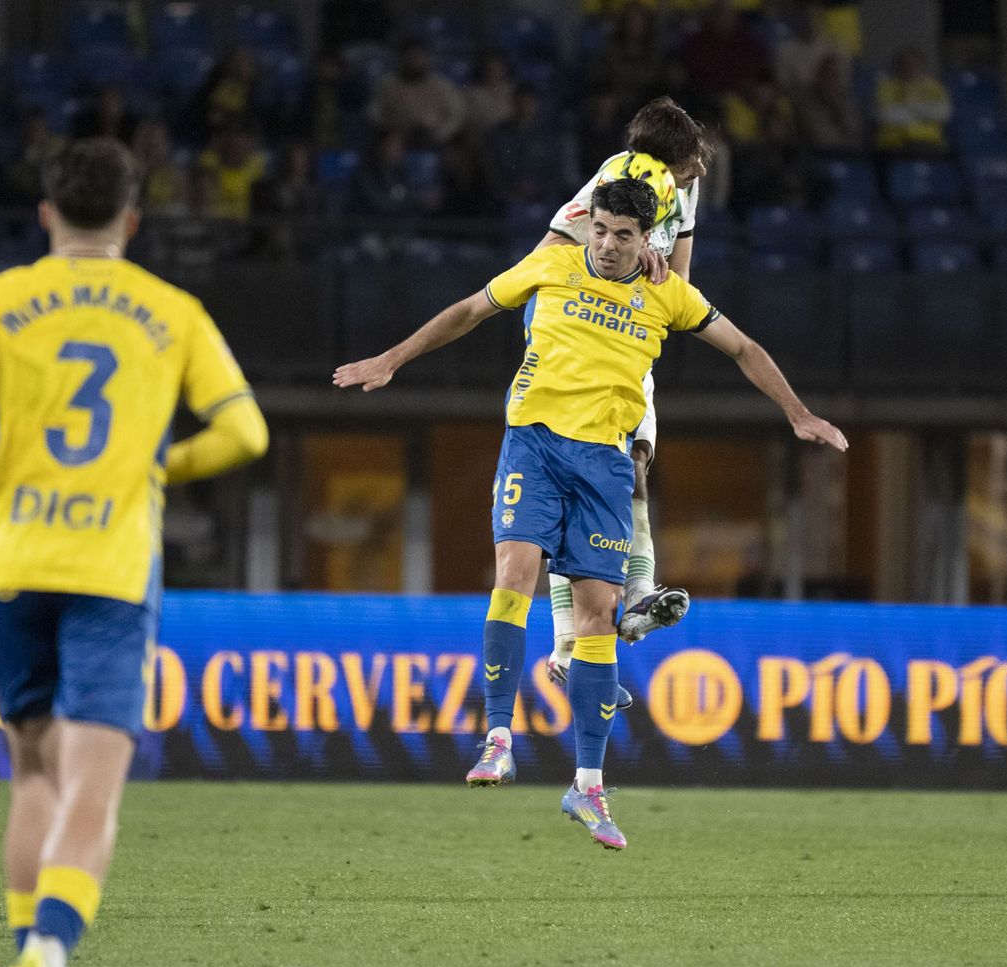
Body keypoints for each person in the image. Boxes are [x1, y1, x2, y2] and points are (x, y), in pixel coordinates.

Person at [334, 179, 847, 849]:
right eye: (600, 230)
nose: (606, 245)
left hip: (606, 464)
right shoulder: (551, 262)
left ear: (647, 241)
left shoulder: (669, 292)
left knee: (598, 616)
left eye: (623, 236)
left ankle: (587, 786)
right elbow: (468, 311)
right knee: (515, 574)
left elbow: (745, 348)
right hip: (534, 446)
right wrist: (392, 358)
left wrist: (798, 413)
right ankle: (496, 737)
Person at [0, 138, 268, 967]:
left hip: (13, 557)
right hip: (111, 566)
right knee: (93, 790)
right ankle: (49, 958)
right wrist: (164, 465)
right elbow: (246, 431)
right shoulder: (172, 309)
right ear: (132, 220)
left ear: (46, 215)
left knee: (31, 771)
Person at [536, 97, 711, 683]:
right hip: (573, 339)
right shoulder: (617, 180)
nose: (702, 167)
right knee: (571, 481)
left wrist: (654, 272)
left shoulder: (679, 192)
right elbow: (550, 257)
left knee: (634, 462)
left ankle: (636, 597)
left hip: (628, 340)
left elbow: (678, 287)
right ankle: (566, 643)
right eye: (692, 157)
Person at [367, 37, 466, 147]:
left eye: (419, 57)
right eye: (411, 57)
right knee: (390, 146)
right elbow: (374, 113)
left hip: (434, 135)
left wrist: (439, 134)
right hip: (399, 135)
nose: (415, 61)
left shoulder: (441, 85)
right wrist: (391, 128)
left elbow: (456, 115)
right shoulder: (387, 84)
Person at [873, 47, 951, 155]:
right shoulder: (887, 87)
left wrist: (907, 107)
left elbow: (943, 113)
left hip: (929, 142)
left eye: (914, 64)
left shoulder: (934, 87)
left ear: (922, 65)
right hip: (894, 143)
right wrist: (923, 112)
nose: (910, 68)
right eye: (905, 64)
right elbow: (884, 115)